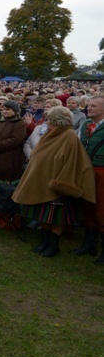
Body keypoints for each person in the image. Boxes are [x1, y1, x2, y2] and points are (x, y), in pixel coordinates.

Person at [12, 106, 96, 257]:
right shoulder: (48, 135)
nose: (47, 122)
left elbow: (72, 162)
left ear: (58, 121)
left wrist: (60, 181)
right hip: (42, 181)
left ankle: (53, 245)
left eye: (50, 119)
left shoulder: (68, 137)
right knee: (43, 215)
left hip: (57, 183)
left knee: (55, 217)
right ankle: (44, 241)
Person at [74, 95, 104, 263]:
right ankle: (89, 244)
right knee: (88, 206)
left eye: (93, 106)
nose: (89, 108)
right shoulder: (86, 125)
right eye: (88, 105)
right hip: (87, 171)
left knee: (102, 208)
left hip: (102, 171)